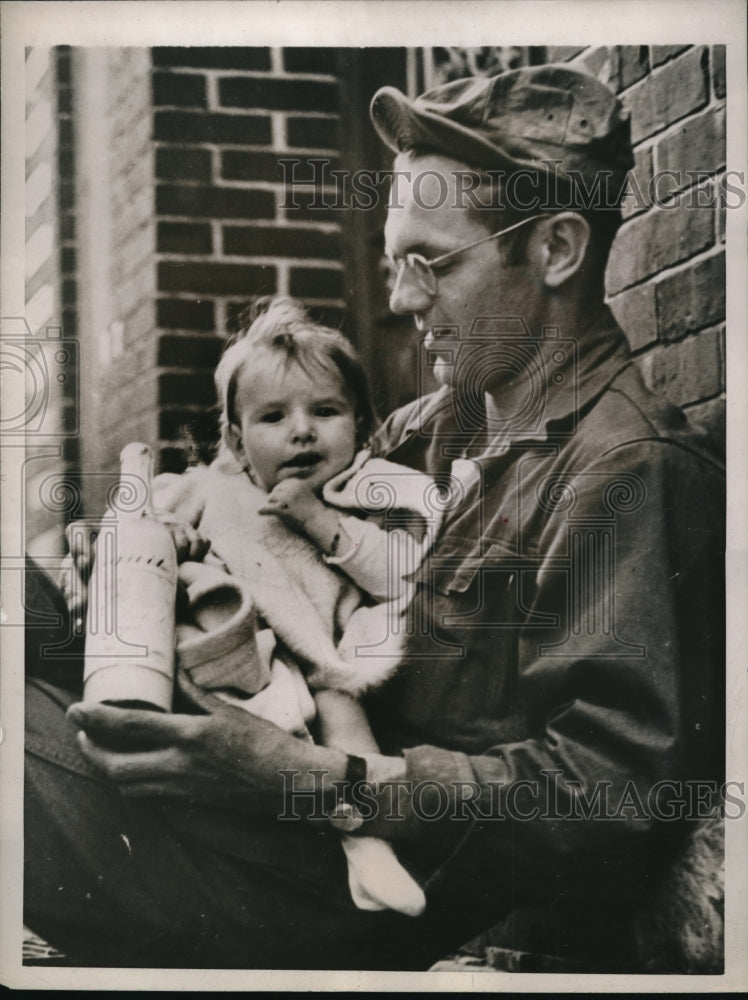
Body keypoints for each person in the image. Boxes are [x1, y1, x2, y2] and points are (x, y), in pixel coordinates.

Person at [24, 64, 725, 972]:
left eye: (429, 263)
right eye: (392, 262)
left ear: (556, 249)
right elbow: (271, 537)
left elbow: (606, 790)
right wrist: (154, 554)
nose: (398, 299)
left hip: (338, 879)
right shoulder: (433, 427)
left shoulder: (626, 471)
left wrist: (305, 783)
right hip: (253, 784)